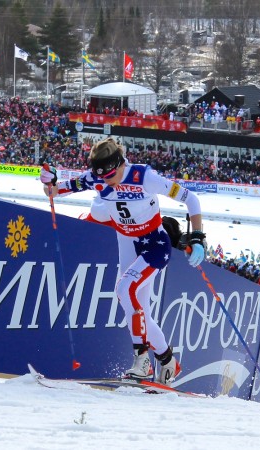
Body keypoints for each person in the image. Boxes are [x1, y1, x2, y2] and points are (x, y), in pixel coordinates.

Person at [40, 137, 206, 385]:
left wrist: (198, 237)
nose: (106, 182)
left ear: (119, 164)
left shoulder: (144, 177)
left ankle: (142, 361)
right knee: (137, 310)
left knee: (124, 288)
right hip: (126, 242)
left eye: (110, 176)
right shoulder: (95, 177)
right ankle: (168, 361)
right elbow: (54, 191)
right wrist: (48, 181)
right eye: (101, 177)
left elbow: (191, 199)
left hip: (154, 243)